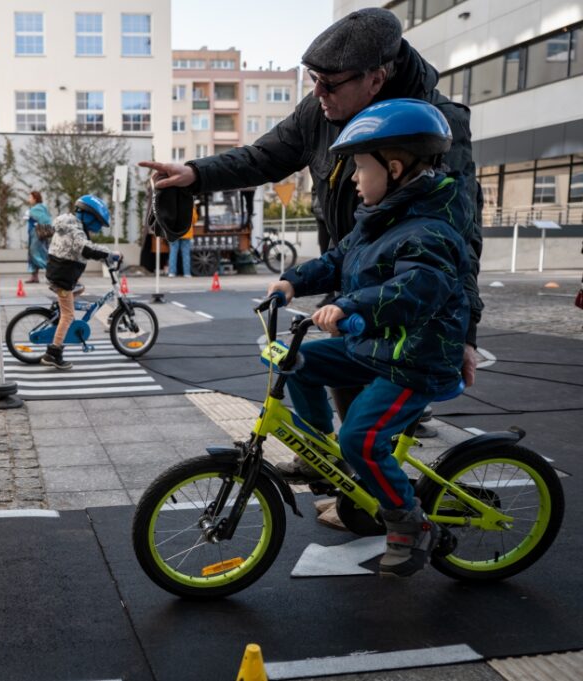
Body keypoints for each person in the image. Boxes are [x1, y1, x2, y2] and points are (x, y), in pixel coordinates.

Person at [140, 7, 484, 478]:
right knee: (317, 380)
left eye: (329, 83)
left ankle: (396, 520)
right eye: (312, 79)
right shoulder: (321, 110)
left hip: (410, 304)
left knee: (364, 435)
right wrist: (196, 174)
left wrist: (466, 335)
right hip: (351, 284)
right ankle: (334, 472)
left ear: (376, 79)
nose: (316, 93)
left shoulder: (433, 127)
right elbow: (264, 156)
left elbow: (462, 236)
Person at [267, 99, 472, 577]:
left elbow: (416, 288)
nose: (355, 179)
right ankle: (318, 451)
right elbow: (339, 260)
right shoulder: (378, 218)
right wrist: (294, 280)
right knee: (294, 361)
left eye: (360, 167)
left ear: (394, 169)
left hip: (416, 359)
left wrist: (350, 307)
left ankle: (410, 525)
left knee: (362, 436)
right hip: (380, 346)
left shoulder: (430, 230)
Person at [41, 195, 121, 370]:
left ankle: (60, 310)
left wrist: (103, 255)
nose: (98, 227)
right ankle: (53, 353)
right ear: (88, 216)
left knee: (81, 288)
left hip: (61, 275)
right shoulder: (75, 231)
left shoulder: (72, 225)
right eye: (98, 222)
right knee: (68, 315)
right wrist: (110, 254)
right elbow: (86, 248)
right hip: (62, 279)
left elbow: (84, 248)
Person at [26, 190, 52, 283]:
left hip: (37, 235)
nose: (29, 199)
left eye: (30, 197)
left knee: (36, 253)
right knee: (34, 254)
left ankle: (51, 273)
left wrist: (31, 214)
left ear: (35, 199)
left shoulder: (36, 208)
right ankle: (34, 276)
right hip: (36, 234)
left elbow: (44, 220)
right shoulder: (41, 207)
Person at [167, 203, 195, 277]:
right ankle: (187, 273)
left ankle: (172, 272)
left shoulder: (172, 205)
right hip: (186, 232)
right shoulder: (189, 204)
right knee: (186, 254)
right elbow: (194, 219)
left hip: (174, 232)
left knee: (173, 252)